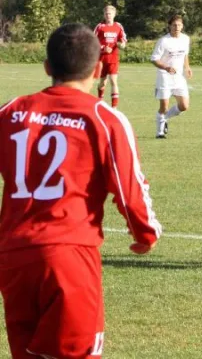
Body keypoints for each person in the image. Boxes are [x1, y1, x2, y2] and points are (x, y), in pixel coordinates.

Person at [0, 23, 162, 358]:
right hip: (68, 256)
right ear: (99, 69)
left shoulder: (12, 111)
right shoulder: (103, 118)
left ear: (47, 67)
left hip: (14, 259)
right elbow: (131, 190)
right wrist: (145, 235)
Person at [150, 14, 193, 139]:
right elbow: (154, 59)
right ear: (169, 26)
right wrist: (166, 68)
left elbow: (185, 55)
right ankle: (160, 132)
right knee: (164, 106)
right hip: (164, 77)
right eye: (174, 25)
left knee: (184, 106)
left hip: (178, 77)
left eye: (179, 25)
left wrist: (187, 67)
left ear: (182, 26)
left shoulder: (185, 39)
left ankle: (164, 118)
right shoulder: (163, 41)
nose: (177, 27)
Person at [94, 5, 127, 108]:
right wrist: (103, 48)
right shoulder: (100, 26)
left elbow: (123, 40)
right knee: (103, 83)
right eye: (106, 13)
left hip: (113, 58)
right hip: (102, 59)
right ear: (104, 14)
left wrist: (122, 45)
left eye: (110, 13)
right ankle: (100, 100)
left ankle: (114, 108)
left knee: (113, 81)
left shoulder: (118, 26)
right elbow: (92, 40)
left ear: (114, 14)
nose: (108, 15)